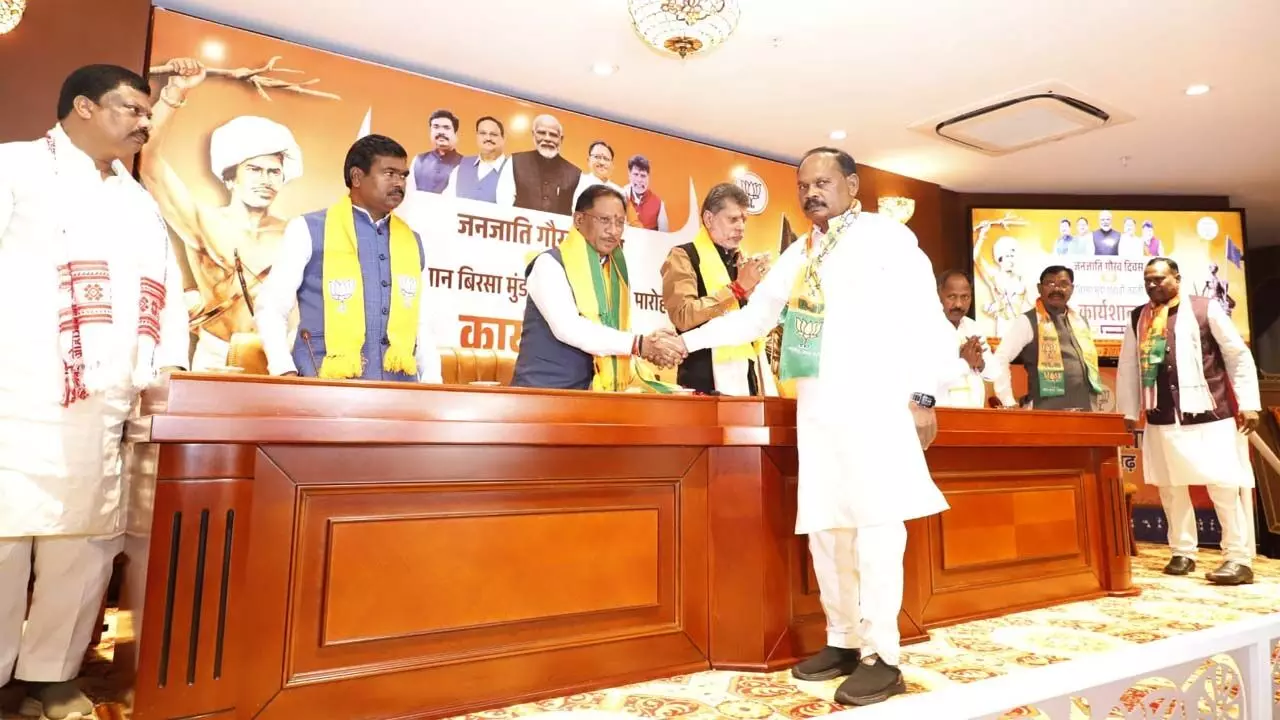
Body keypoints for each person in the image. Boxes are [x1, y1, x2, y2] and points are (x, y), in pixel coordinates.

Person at [671, 148, 953, 706]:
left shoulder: (886, 237)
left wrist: (925, 395)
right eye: (803, 186)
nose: (810, 193)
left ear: (852, 185)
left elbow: (926, 317)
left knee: (876, 530)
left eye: (823, 182)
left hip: (876, 405)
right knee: (828, 531)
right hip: (820, 412)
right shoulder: (802, 252)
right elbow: (755, 318)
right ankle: (843, 640)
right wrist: (684, 342)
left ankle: (883, 656)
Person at [0, 64, 189, 720]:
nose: (144, 123)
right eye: (131, 109)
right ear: (83, 106)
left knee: (84, 546)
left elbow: (166, 295)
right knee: (5, 538)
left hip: (107, 403)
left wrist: (167, 370)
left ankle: (51, 674)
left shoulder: (138, 201)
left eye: (147, 112)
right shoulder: (15, 168)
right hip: (19, 393)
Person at [141, 57, 304, 369]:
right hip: (216, 356)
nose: (265, 180)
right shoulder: (203, 222)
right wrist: (174, 93)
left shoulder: (296, 231)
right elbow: (148, 163)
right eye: (254, 169)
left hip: (279, 358)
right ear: (230, 177)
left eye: (274, 172)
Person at [1117, 257, 1260, 585]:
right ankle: (1183, 552)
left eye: (1159, 279)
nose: (1153, 285)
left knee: (1223, 488)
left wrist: (1250, 403)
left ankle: (1238, 559)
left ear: (1177, 279)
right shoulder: (1138, 317)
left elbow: (1237, 355)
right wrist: (1129, 412)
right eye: (1148, 280)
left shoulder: (1205, 308)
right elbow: (1128, 368)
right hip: (1162, 416)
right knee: (1171, 488)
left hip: (1210, 414)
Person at [255, 134, 442, 383]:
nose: (399, 183)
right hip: (323, 385)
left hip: (399, 388)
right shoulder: (308, 229)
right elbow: (271, 307)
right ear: (356, 177)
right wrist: (283, 370)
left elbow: (421, 322)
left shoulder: (411, 241)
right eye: (389, 173)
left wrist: (432, 382)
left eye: (403, 175)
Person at [510, 184, 686, 390]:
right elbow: (569, 328)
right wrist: (640, 345)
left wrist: (652, 345)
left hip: (591, 394)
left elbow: (612, 332)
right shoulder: (549, 264)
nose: (613, 231)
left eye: (619, 222)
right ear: (579, 220)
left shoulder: (613, 273)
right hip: (542, 394)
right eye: (604, 220)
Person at [661, 183, 770, 396]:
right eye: (733, 219)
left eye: (744, 220)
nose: (741, 227)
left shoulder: (742, 262)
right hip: (702, 381)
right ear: (709, 219)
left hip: (745, 375)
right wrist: (736, 289)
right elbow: (683, 315)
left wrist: (754, 294)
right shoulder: (683, 256)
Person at [985, 265, 1103, 411]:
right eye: (1050, 283)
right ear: (1040, 288)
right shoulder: (1027, 320)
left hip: (1084, 410)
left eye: (1063, 284)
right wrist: (1008, 401)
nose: (1057, 289)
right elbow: (1000, 358)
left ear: (1072, 289)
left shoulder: (1080, 322)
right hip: (1044, 412)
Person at [496, 114, 582, 215]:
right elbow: (503, 204)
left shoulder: (576, 174)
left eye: (553, 135)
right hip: (519, 224)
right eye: (542, 133)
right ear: (533, 135)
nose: (547, 138)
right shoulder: (514, 162)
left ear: (561, 139)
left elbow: (577, 213)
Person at [936, 270, 994, 408]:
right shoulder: (926, 328)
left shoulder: (973, 326)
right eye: (952, 296)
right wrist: (965, 362)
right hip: (940, 413)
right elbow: (928, 377)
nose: (959, 304)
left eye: (965, 297)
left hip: (974, 413)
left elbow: (994, 372)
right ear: (938, 295)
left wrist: (980, 363)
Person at [442, 115, 507, 203]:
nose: (488, 138)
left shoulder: (512, 170)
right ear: (477, 137)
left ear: (503, 139)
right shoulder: (462, 166)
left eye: (493, 134)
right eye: (483, 133)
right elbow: (446, 201)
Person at [409, 109, 462, 194]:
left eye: (446, 128)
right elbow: (409, 192)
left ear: (455, 134)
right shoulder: (418, 160)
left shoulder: (465, 165)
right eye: (436, 127)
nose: (441, 132)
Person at [570, 140, 623, 209]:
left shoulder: (619, 191)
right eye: (597, 157)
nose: (602, 162)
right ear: (588, 160)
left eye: (606, 159)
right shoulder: (576, 182)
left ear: (612, 165)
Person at [623, 155, 669, 232]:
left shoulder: (659, 203)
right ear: (629, 174)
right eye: (636, 174)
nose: (639, 180)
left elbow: (664, 235)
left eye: (643, 176)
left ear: (648, 177)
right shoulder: (620, 197)